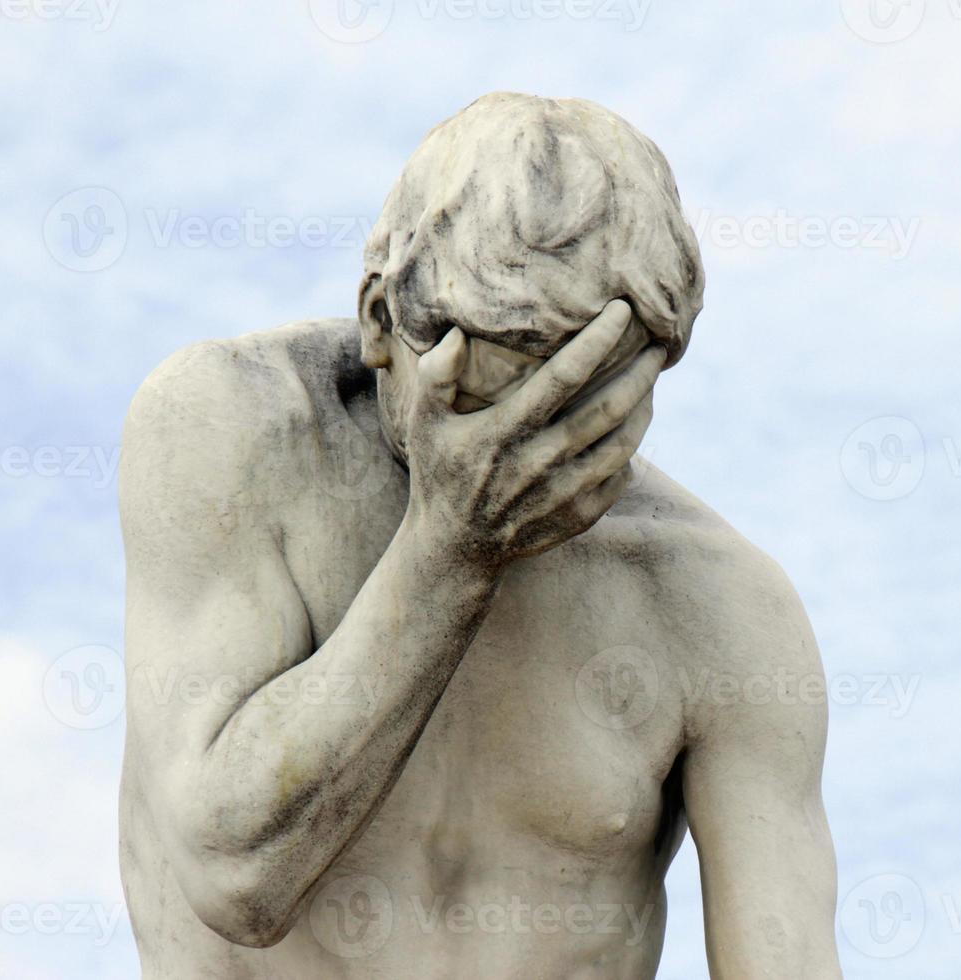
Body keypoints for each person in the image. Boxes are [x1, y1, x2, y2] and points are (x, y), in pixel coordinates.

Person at [118, 92, 841, 978]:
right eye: (491, 401)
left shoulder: (720, 608)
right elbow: (234, 878)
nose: (524, 461)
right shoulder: (235, 435)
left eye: (583, 412)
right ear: (381, 321)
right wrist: (450, 546)